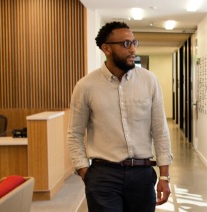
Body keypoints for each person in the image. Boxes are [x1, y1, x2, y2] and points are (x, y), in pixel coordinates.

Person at [67, 21, 173, 212]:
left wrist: (164, 176)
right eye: (126, 44)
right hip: (104, 175)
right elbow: (74, 134)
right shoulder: (85, 86)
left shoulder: (149, 80)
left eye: (134, 43)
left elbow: (160, 129)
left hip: (142, 173)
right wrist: (85, 171)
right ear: (106, 49)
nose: (133, 49)